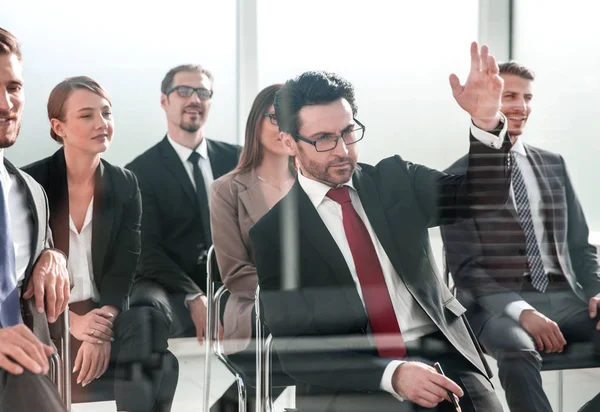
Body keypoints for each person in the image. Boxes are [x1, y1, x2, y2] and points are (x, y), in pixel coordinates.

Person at [249, 42, 510, 412]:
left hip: (439, 352)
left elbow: (481, 196)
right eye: (323, 139)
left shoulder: (395, 181)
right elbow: (297, 352)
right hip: (357, 375)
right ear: (289, 142)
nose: (342, 150)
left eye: (348, 132)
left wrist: (486, 122)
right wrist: (394, 375)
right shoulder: (274, 234)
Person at [441, 61, 600, 412]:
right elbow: (466, 270)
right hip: (492, 308)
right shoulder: (456, 178)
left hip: (562, 299)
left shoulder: (554, 164)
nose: (520, 106)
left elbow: (578, 245)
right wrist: (522, 311)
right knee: (517, 351)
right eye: (509, 95)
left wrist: (597, 291)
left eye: (527, 97)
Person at [24, 76, 178, 412]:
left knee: (145, 323)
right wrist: (72, 322)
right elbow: (21, 275)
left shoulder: (124, 184)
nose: (101, 124)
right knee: (164, 366)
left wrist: (100, 328)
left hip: (102, 310)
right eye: (86, 116)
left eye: (106, 113)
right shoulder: (31, 184)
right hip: (47, 319)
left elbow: (125, 268)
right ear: (58, 126)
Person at [126, 64, 240, 343]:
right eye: (184, 91)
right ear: (164, 100)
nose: (194, 99)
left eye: (203, 92)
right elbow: (147, 249)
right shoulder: (140, 172)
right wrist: (192, 294)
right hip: (175, 283)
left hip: (232, 278)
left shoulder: (237, 159)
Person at [0, 27, 70, 412]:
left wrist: (53, 255)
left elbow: (34, 252)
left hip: (29, 367)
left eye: (13, 87)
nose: (5, 102)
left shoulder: (31, 191)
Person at [210, 83, 294, 354]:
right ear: (255, 122)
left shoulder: (312, 184)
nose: (284, 128)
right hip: (255, 308)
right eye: (275, 117)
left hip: (315, 304)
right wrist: (291, 296)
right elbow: (235, 273)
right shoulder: (226, 190)